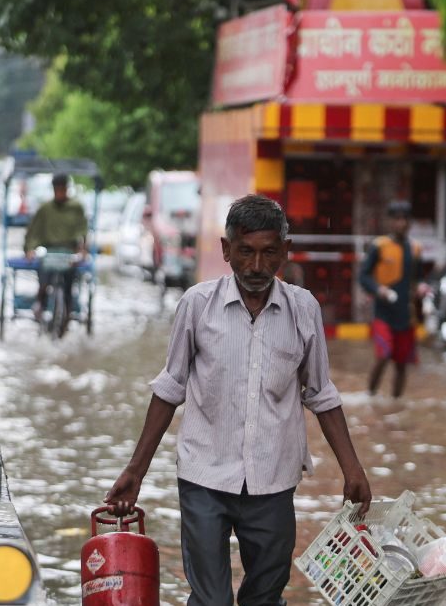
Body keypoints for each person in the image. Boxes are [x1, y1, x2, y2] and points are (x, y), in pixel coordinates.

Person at [105, 194, 371, 606]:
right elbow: (169, 388)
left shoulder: (304, 310)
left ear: (286, 250)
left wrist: (352, 468)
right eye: (245, 252)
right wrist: (135, 470)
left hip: (274, 480)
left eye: (269, 253)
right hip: (204, 477)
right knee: (210, 600)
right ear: (226, 250)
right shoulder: (197, 306)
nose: (257, 266)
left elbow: (320, 394)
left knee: (264, 597)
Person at [359, 200, 425, 398]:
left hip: (406, 315)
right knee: (383, 355)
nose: (401, 223)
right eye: (397, 219)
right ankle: (370, 396)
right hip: (383, 313)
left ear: (410, 223)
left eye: (405, 219)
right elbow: (363, 276)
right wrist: (379, 290)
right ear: (390, 222)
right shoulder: (379, 246)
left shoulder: (415, 249)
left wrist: (421, 287)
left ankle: (396, 404)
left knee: (402, 364)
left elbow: (418, 278)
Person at [23, 173, 88, 317]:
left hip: (69, 251)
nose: (59, 193)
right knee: (44, 276)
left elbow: (83, 231)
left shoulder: (76, 208)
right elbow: (33, 232)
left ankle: (68, 310)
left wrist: (82, 250)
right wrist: (29, 250)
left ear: (66, 189)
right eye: (57, 190)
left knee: (69, 284)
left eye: (62, 189)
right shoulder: (45, 209)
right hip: (48, 250)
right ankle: (40, 301)